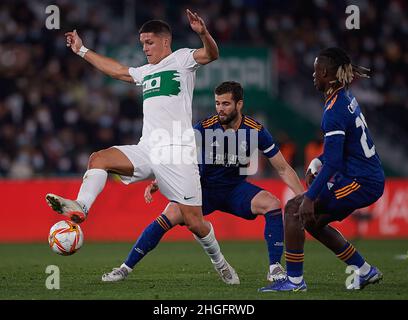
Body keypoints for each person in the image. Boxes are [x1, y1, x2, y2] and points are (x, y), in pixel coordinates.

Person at [45, 10, 239, 284]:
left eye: (148, 42)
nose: (145, 48)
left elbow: (211, 55)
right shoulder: (145, 72)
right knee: (98, 158)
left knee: (195, 222)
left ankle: (221, 264)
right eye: (142, 44)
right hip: (148, 148)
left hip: (177, 152)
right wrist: (82, 50)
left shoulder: (181, 59)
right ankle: (81, 207)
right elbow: (117, 70)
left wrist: (203, 34)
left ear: (165, 41)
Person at [101, 81, 304, 283]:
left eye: (225, 104)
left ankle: (275, 267)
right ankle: (124, 269)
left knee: (272, 204)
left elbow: (283, 168)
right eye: (217, 103)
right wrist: (158, 180)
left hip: (235, 190)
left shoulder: (255, 130)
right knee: (168, 215)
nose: (220, 109)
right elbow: (179, 155)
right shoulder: (204, 128)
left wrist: (304, 196)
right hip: (202, 190)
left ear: (239, 104)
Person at [259, 47, 385, 292]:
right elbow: (338, 150)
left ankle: (295, 282)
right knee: (312, 222)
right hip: (364, 176)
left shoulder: (334, 110)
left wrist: (310, 196)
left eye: (316, 70)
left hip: (362, 180)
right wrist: (316, 163)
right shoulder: (344, 98)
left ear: (326, 73)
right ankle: (365, 271)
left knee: (296, 208)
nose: (313, 75)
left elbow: (336, 162)